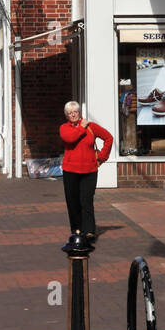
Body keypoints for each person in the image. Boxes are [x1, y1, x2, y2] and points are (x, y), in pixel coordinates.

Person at [59, 102, 113, 248]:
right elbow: (70, 139)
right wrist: (82, 127)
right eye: (70, 113)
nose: (73, 114)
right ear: (66, 115)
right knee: (73, 201)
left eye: (75, 111)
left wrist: (102, 157)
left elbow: (109, 138)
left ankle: (89, 231)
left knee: (87, 201)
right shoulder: (64, 128)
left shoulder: (91, 127)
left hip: (89, 171)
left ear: (79, 112)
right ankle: (76, 230)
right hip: (70, 171)